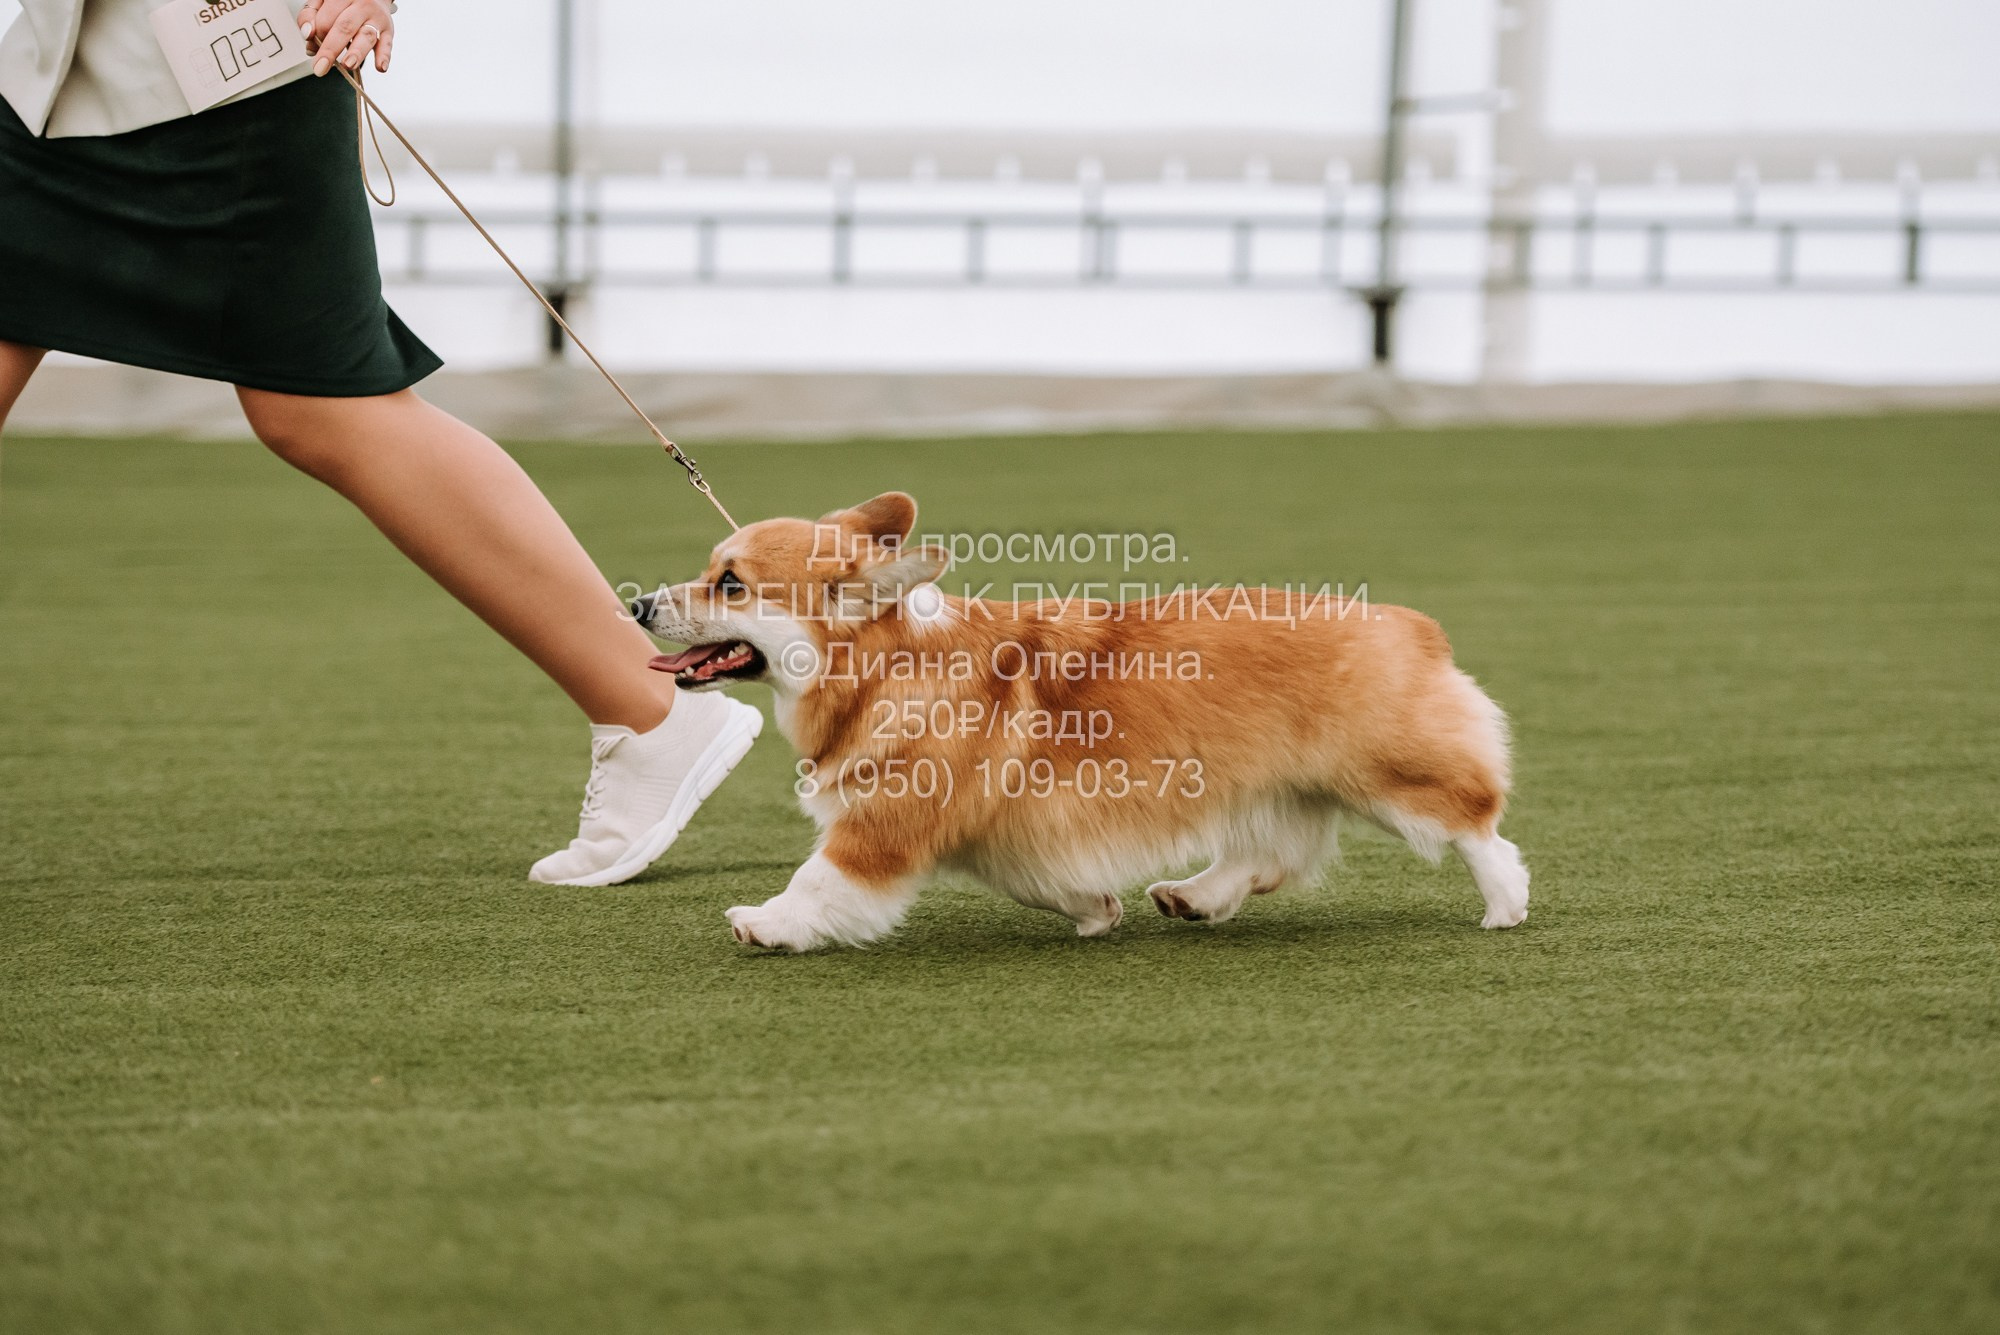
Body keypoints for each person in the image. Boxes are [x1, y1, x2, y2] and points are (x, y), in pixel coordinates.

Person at [0, 0, 761, 886]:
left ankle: (646, 704)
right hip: (53, 81)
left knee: (326, 409)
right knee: (320, 411)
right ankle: (645, 706)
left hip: (232, 73)